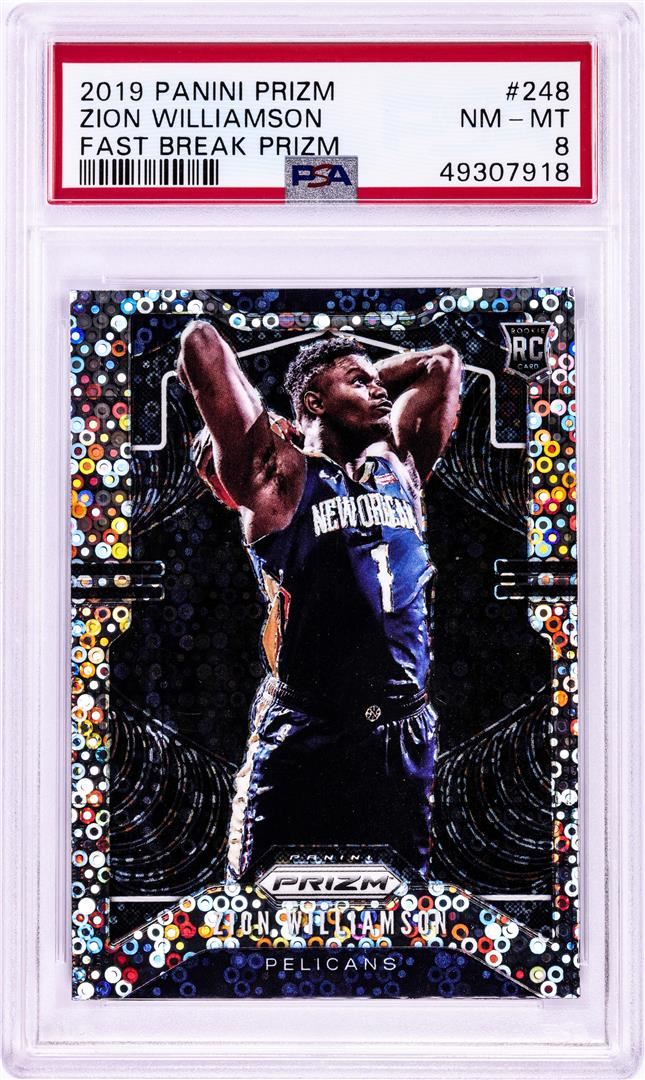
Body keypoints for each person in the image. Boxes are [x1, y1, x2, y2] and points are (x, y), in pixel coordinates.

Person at [176, 323, 462, 880]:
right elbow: (201, 344)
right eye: (358, 382)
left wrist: (361, 379)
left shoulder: (401, 465)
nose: (378, 389)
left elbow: (443, 363)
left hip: (401, 729)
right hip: (306, 731)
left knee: (399, 908)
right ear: (313, 403)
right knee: (262, 907)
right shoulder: (279, 476)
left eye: (377, 382)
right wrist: (284, 415)